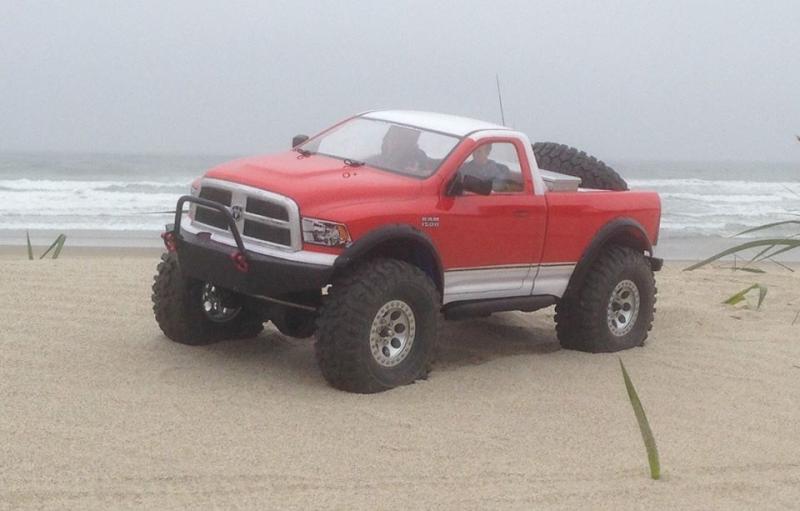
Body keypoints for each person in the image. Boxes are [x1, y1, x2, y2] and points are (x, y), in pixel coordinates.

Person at [366, 125, 432, 175]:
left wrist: (417, 172)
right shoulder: (373, 160)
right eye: (392, 137)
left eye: (400, 139)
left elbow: (427, 174)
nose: (394, 142)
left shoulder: (419, 155)